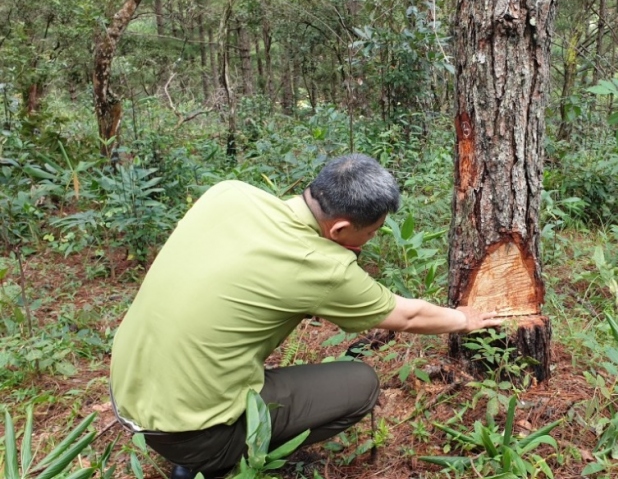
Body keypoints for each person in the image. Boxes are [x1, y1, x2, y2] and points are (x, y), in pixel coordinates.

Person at [109, 154, 500, 478]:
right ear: (341, 228)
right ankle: (215, 461)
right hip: (190, 433)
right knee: (360, 383)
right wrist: (464, 318)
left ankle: (200, 446)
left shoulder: (228, 194)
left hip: (125, 390)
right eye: (373, 232)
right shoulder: (322, 266)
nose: (374, 239)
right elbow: (408, 317)